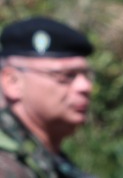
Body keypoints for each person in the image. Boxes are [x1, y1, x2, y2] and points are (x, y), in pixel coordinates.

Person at [0, 17, 95, 178]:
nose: (85, 86)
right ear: (12, 82)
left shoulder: (50, 162)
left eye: (86, 75)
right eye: (67, 76)